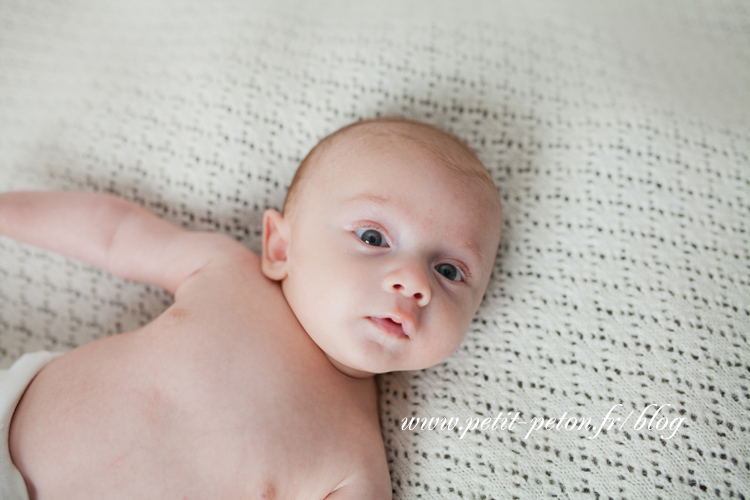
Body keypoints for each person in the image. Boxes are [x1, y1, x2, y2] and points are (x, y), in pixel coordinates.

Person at [0, 117, 503, 499]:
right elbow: (113, 234)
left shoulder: (357, 462)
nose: (414, 282)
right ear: (282, 248)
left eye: (450, 271)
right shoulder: (225, 271)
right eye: (373, 237)